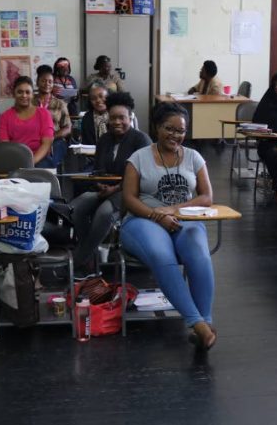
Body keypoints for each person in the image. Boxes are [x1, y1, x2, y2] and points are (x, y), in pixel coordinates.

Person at [120, 102, 217, 350]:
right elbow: (129, 198)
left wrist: (173, 210)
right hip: (142, 219)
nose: (175, 135)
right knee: (161, 254)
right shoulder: (138, 158)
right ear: (157, 127)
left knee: (199, 254)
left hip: (184, 218)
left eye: (181, 131)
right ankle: (198, 323)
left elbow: (206, 197)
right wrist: (156, 215)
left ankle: (204, 322)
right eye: (169, 129)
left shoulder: (194, 157)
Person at [70, 93, 152, 277]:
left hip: (130, 192)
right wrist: (99, 185)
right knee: (76, 207)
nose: (116, 122)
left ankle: (80, 260)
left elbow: (142, 175)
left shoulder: (141, 140)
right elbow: (99, 169)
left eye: (121, 118)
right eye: (112, 117)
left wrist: (114, 189)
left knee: (104, 213)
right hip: (104, 190)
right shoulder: (105, 139)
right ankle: (91, 258)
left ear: (130, 118)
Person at [0, 76, 55, 167]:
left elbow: (46, 144)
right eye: (20, 92)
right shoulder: (5, 117)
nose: (24, 95)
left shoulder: (44, 114)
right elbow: (5, 146)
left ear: (32, 95)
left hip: (40, 159)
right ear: (14, 94)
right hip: (14, 159)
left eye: (27, 92)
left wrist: (29, 163)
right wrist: (19, 163)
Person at [35, 65, 71, 166]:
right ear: (37, 82)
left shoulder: (60, 103)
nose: (47, 84)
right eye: (43, 81)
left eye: (50, 81)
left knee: (47, 159)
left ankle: (43, 174)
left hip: (56, 140)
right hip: (33, 140)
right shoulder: (30, 102)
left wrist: (51, 137)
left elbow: (68, 128)